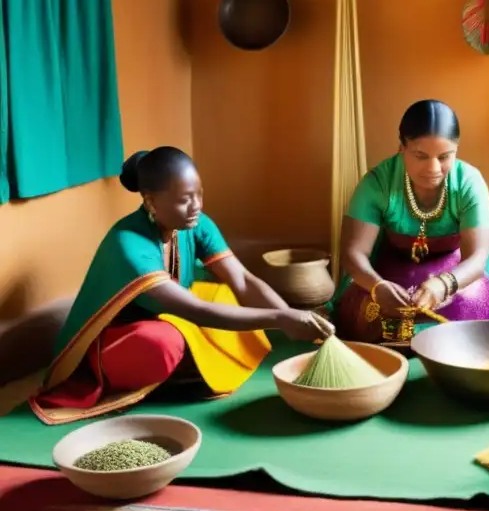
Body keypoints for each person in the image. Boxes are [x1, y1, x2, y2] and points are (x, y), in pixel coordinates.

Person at [29, 147, 333, 425]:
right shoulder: (128, 244)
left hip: (169, 319)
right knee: (164, 345)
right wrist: (279, 319)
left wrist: (293, 316)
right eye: (184, 198)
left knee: (227, 296)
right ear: (150, 200)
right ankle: (166, 374)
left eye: (199, 194)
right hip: (115, 342)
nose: (196, 206)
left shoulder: (196, 223)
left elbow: (242, 280)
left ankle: (184, 368)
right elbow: (195, 310)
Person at [333, 99, 489, 342]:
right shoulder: (377, 182)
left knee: (473, 304)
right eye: (420, 155)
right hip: (391, 264)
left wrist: (445, 284)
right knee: (364, 309)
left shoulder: (469, 182)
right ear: (401, 149)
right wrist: (377, 286)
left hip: (454, 268)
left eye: (445, 156)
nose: (433, 168)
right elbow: (354, 252)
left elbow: (477, 258)